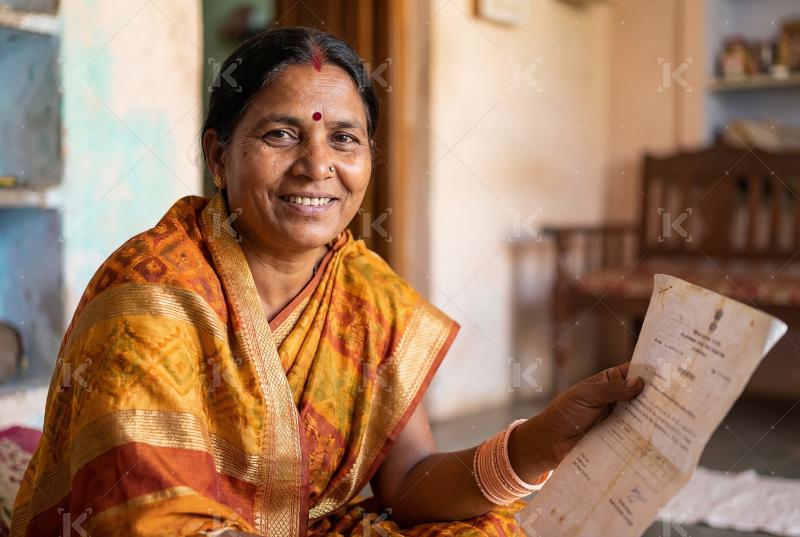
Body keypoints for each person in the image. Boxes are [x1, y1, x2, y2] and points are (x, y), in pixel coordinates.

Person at [10, 27, 643, 537]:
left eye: (345, 138)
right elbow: (143, 513)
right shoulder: (152, 290)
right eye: (281, 134)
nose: (318, 166)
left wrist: (539, 442)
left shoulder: (364, 290)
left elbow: (411, 480)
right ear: (217, 157)